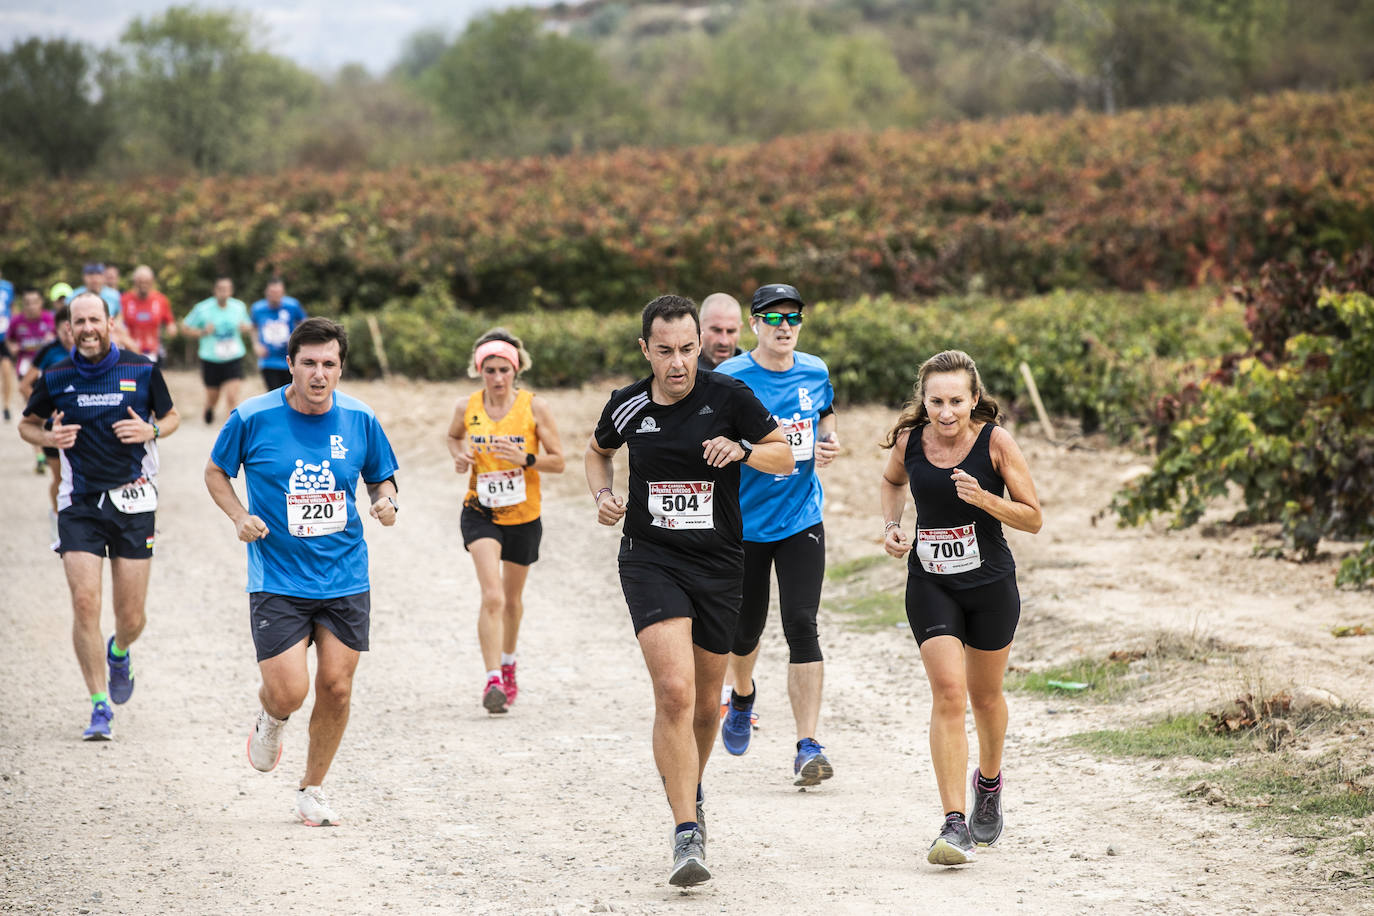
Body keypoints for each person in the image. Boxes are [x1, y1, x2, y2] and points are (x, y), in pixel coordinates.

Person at [585, 294, 792, 886]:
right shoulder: (625, 405)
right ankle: (684, 831)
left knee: (705, 705)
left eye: (688, 349)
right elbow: (597, 453)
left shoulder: (729, 397)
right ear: (644, 349)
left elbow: (783, 455)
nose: (679, 364)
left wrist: (746, 449)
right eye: (666, 351)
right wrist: (603, 497)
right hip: (651, 559)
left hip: (720, 565)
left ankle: (690, 790)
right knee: (674, 693)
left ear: (699, 343)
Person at [205, 317, 399, 827]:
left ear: (340, 368)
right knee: (291, 690)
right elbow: (216, 471)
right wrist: (238, 515)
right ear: (289, 364)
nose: (318, 374)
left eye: (329, 364)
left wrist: (386, 503)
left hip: (345, 576)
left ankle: (312, 788)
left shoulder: (360, 418)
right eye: (308, 363)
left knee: (336, 687)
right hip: (278, 578)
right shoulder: (251, 417)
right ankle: (272, 717)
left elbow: (382, 479)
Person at [878, 350, 1042, 866]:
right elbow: (891, 482)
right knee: (949, 693)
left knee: (985, 697)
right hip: (931, 582)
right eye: (935, 402)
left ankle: (988, 783)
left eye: (955, 401)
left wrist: (984, 500)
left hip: (991, 585)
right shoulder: (910, 441)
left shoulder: (995, 442)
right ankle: (953, 823)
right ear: (922, 401)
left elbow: (1033, 517)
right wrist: (892, 526)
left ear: (974, 399)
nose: (945, 413)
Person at [17, 292, 181, 740]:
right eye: (78, 321)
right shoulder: (56, 376)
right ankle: (98, 705)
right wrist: (48, 435)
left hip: (134, 502)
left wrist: (150, 429)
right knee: (85, 602)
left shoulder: (142, 369)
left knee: (131, 618)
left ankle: (121, 650)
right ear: (68, 328)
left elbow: (171, 418)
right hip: (79, 503)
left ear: (110, 321)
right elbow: (26, 425)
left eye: (95, 319)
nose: (87, 328)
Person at [714, 283, 841, 786]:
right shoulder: (729, 378)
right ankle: (742, 694)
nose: (784, 326)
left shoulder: (816, 370)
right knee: (744, 631)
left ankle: (807, 745)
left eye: (793, 317)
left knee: (802, 623)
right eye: (773, 317)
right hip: (743, 524)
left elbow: (826, 414)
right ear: (755, 325)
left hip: (801, 518)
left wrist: (830, 440)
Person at [447, 329, 566, 714]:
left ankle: (510, 663)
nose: (497, 378)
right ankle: (492, 678)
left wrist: (525, 459)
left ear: (516, 370)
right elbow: (452, 437)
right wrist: (460, 455)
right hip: (480, 509)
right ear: (479, 370)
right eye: (489, 370)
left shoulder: (534, 407)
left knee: (513, 601)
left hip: (524, 514)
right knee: (493, 595)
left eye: (504, 370)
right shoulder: (466, 406)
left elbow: (560, 461)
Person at [19, 304, 74, 542]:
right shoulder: (48, 352)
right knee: (60, 478)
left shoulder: (95, 353)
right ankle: (58, 517)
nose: (70, 336)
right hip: (55, 426)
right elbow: (25, 385)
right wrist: (43, 409)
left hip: (84, 426)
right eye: (64, 331)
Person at [182, 277, 252, 424]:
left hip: (234, 356)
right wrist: (202, 332)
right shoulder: (202, 308)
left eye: (227, 289)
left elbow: (248, 325)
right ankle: (209, 408)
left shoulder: (239, 307)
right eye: (220, 289)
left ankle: (230, 427)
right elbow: (184, 328)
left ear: (231, 291)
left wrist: (245, 328)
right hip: (211, 358)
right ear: (215, 291)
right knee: (214, 395)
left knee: (232, 397)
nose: (224, 293)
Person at [9, 288, 56, 473]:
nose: (31, 307)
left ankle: (46, 449)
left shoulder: (49, 320)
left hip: (46, 370)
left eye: (34, 302)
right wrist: (13, 347)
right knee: (33, 413)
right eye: (27, 303)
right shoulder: (16, 322)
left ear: (41, 303)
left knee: (48, 412)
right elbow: (9, 341)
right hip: (26, 370)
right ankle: (40, 455)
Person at [250, 277, 307, 390]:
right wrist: (256, 344)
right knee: (274, 394)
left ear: (283, 292)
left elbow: (304, 324)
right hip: (268, 360)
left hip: (290, 358)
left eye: (278, 292)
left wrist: (296, 338)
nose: (275, 296)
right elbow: (253, 327)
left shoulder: (292, 305)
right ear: (266, 292)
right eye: (272, 292)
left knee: (292, 393)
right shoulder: (258, 308)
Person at [120, 266, 176, 364]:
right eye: (140, 281)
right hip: (130, 353)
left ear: (152, 281)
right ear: (134, 281)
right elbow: (117, 325)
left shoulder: (161, 300)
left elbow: (170, 322)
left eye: (146, 281)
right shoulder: (124, 300)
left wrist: (171, 329)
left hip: (153, 352)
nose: (143, 285)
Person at [696, 293, 744, 372]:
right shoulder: (684, 371)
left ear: (740, 328)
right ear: (699, 327)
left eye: (730, 331)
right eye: (717, 330)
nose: (724, 341)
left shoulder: (752, 370)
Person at [0, 268, 13, 421]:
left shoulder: (7, 287)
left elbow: (11, 308)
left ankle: (7, 405)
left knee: (7, 371)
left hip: (4, 336)